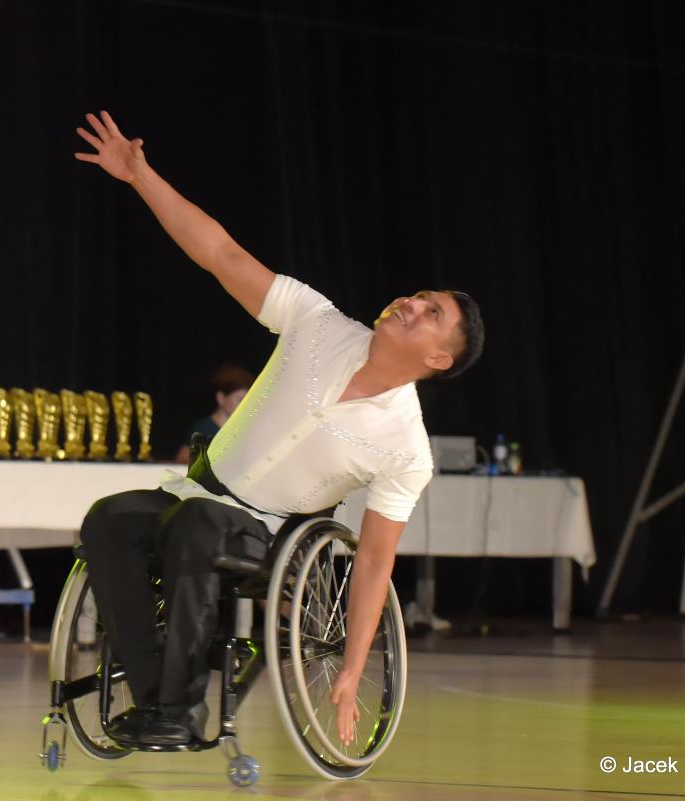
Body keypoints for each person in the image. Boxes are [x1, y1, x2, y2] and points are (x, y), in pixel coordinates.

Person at [73, 111, 484, 748]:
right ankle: (158, 696)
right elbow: (220, 253)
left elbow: (374, 560)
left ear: (439, 360)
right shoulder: (316, 322)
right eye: (420, 294)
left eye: (432, 313)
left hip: (266, 538)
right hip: (195, 494)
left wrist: (351, 670)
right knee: (107, 520)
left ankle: (180, 708)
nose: (412, 302)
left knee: (197, 526)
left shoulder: (407, 448)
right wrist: (139, 176)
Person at [173, 364, 254, 465]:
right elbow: (182, 460)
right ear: (221, 398)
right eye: (240, 400)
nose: (245, 405)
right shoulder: (204, 429)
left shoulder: (244, 430)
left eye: (248, 400)